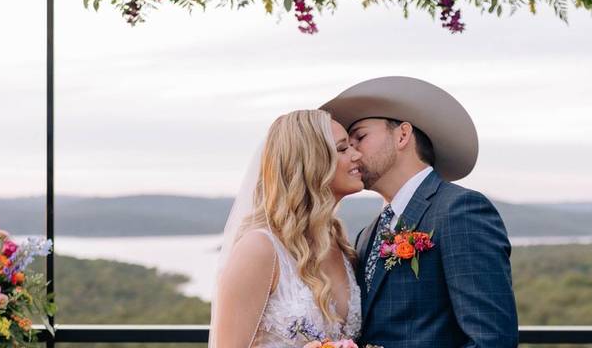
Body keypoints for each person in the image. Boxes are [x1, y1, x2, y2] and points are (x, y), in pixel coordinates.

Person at [321, 76, 519, 348]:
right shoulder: (367, 234)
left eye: (360, 137)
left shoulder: (460, 210)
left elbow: (491, 340)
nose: (352, 153)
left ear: (402, 135)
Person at [210, 109, 364, 348]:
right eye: (343, 148)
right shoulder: (259, 249)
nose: (357, 154)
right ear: (312, 162)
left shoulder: (338, 243)